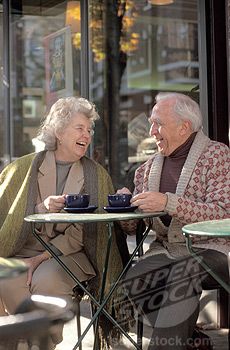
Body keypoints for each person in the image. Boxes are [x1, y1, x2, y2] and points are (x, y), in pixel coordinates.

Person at [0, 96, 131, 350]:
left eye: (90, 129)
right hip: (22, 250)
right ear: (59, 131)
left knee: (46, 279)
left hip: (70, 253)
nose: (87, 135)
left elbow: (88, 231)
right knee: (7, 276)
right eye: (80, 128)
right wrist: (40, 209)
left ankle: (38, 344)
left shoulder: (95, 175)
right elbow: (10, 217)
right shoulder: (24, 168)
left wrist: (38, 260)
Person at [118, 92, 230, 349]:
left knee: (182, 273)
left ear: (184, 127)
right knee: (134, 281)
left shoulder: (217, 155)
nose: (152, 130)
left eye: (158, 123)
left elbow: (223, 212)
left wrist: (168, 202)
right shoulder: (145, 170)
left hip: (213, 250)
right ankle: (190, 340)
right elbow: (134, 227)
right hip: (167, 250)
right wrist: (127, 208)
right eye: (151, 123)